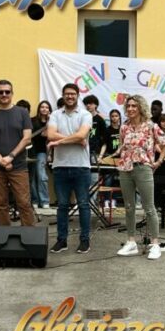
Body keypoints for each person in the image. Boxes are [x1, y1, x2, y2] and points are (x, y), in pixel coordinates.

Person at [115, 95, 165, 260]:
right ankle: (131, 242)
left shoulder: (151, 126)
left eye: (134, 106)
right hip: (125, 168)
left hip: (143, 168)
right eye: (128, 106)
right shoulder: (124, 127)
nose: (130, 109)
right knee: (129, 206)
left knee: (149, 207)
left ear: (141, 108)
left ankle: (155, 244)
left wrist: (158, 161)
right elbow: (122, 146)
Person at [47, 83, 93, 254]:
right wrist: (75, 139)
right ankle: (62, 240)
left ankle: (85, 241)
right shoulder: (55, 114)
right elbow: (50, 134)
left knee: (83, 205)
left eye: (73, 94)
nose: (70, 96)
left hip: (81, 167)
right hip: (60, 166)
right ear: (63, 95)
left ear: (77, 95)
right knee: (62, 206)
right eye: (67, 94)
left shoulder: (85, 114)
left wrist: (59, 141)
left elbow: (82, 135)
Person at [0, 80, 35, 226]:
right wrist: (0, 159)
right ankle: (5, 236)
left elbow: (27, 138)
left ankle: (29, 236)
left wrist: (10, 157)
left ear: (12, 93)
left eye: (7, 92)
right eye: (1, 92)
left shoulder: (22, 113)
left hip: (18, 165)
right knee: (0, 204)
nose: (4, 94)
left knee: (24, 203)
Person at [29, 100, 52, 210]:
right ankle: (34, 200)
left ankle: (44, 200)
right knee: (32, 177)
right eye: (42, 107)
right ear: (39, 109)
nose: (44, 109)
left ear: (49, 110)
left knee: (42, 175)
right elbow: (41, 134)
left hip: (42, 152)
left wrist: (49, 121)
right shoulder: (32, 120)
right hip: (31, 151)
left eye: (46, 107)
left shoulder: (52, 122)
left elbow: (48, 135)